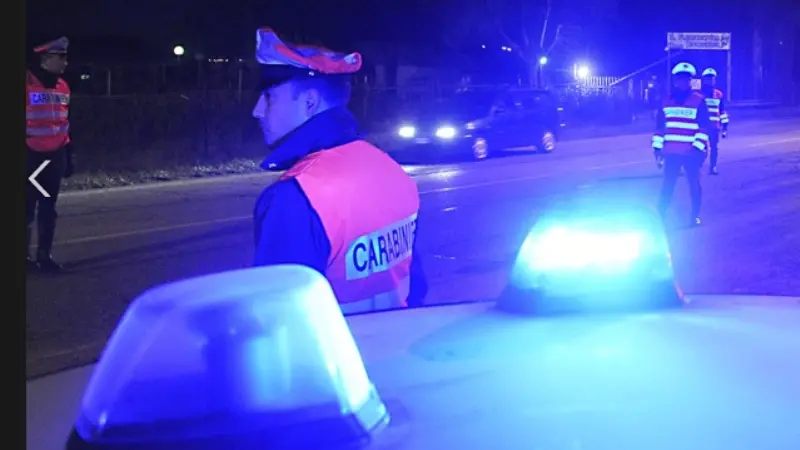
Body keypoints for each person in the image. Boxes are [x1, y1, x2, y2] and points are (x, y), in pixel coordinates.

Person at [250, 27, 427, 314]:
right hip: (395, 347)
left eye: (269, 98)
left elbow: (279, 319)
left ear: (309, 102)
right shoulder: (391, 170)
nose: (257, 110)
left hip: (332, 359)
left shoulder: (295, 197)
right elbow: (415, 284)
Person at [26, 36, 75, 272]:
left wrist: (68, 155)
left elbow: (64, 122)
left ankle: (44, 257)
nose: (65, 62)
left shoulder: (63, 86)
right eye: (61, 57)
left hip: (54, 157)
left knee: (48, 207)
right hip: (29, 157)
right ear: (45, 59)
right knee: (25, 208)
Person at [651, 62, 712, 227]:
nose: (682, 82)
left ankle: (694, 217)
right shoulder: (665, 101)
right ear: (675, 80)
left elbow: (704, 127)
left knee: (694, 186)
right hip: (671, 153)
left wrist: (697, 149)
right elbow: (660, 127)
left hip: (690, 153)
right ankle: (660, 216)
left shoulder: (699, 101)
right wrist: (657, 149)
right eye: (679, 79)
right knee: (667, 186)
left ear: (690, 81)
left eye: (686, 79)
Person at [700, 67, 729, 175]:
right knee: (700, 147)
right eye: (708, 78)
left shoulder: (719, 94)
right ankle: (697, 165)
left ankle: (713, 167)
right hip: (702, 127)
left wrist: (725, 128)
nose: (710, 80)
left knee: (714, 148)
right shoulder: (698, 94)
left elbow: (722, 111)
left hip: (714, 126)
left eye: (712, 78)